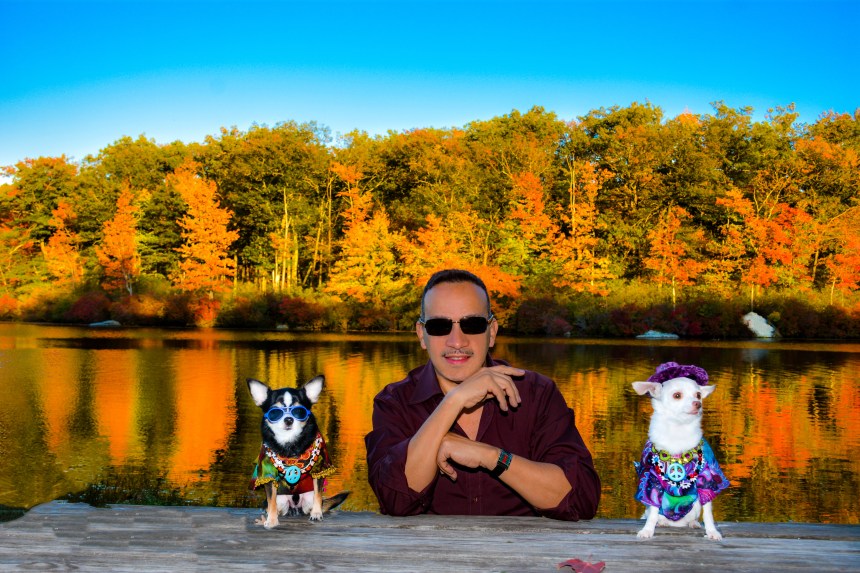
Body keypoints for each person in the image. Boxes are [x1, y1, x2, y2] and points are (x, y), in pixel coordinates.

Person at [365, 269, 600, 520]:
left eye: (472, 324)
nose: (457, 341)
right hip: (430, 556)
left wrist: (489, 456)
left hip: (521, 555)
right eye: (439, 326)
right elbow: (396, 500)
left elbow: (580, 500)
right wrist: (452, 403)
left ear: (492, 332)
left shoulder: (537, 394)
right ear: (422, 335)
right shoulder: (395, 402)